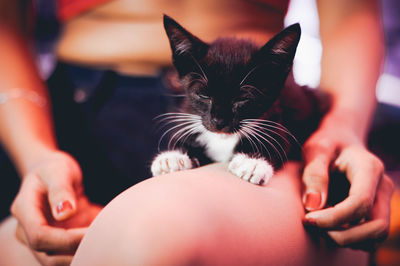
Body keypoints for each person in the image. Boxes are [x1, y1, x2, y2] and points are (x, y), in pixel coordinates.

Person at [0, 0, 394, 265]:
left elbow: (351, 13)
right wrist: (36, 153)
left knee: (147, 235)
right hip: (66, 120)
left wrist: (342, 128)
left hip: (261, 121)